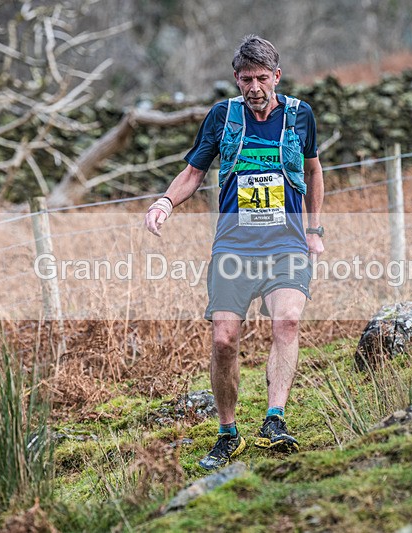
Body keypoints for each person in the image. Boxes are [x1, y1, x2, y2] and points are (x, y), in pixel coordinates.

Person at [144, 35, 325, 470]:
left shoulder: (301, 117)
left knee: (288, 320)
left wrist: (314, 230)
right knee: (224, 340)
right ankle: (228, 435)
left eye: (263, 78)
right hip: (233, 247)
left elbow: (315, 170)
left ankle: (274, 421)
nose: (255, 87)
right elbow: (193, 172)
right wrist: (164, 202)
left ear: (277, 76)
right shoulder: (222, 118)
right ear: (236, 79)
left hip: (286, 243)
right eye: (247, 79)